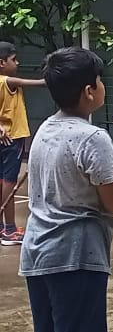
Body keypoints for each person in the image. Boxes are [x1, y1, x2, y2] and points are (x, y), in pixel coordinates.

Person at [19, 47, 113, 332]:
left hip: (38, 256)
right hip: (76, 257)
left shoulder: (45, 130)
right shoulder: (93, 139)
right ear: (89, 91)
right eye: (99, 80)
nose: (102, 86)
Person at [0, 41, 46, 246]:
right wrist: (51, 79)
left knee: (2, 181)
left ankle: (3, 228)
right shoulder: (8, 81)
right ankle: (8, 230)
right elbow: (36, 83)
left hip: (5, 135)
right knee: (9, 182)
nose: (17, 63)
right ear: (2, 62)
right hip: (12, 137)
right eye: (13, 59)